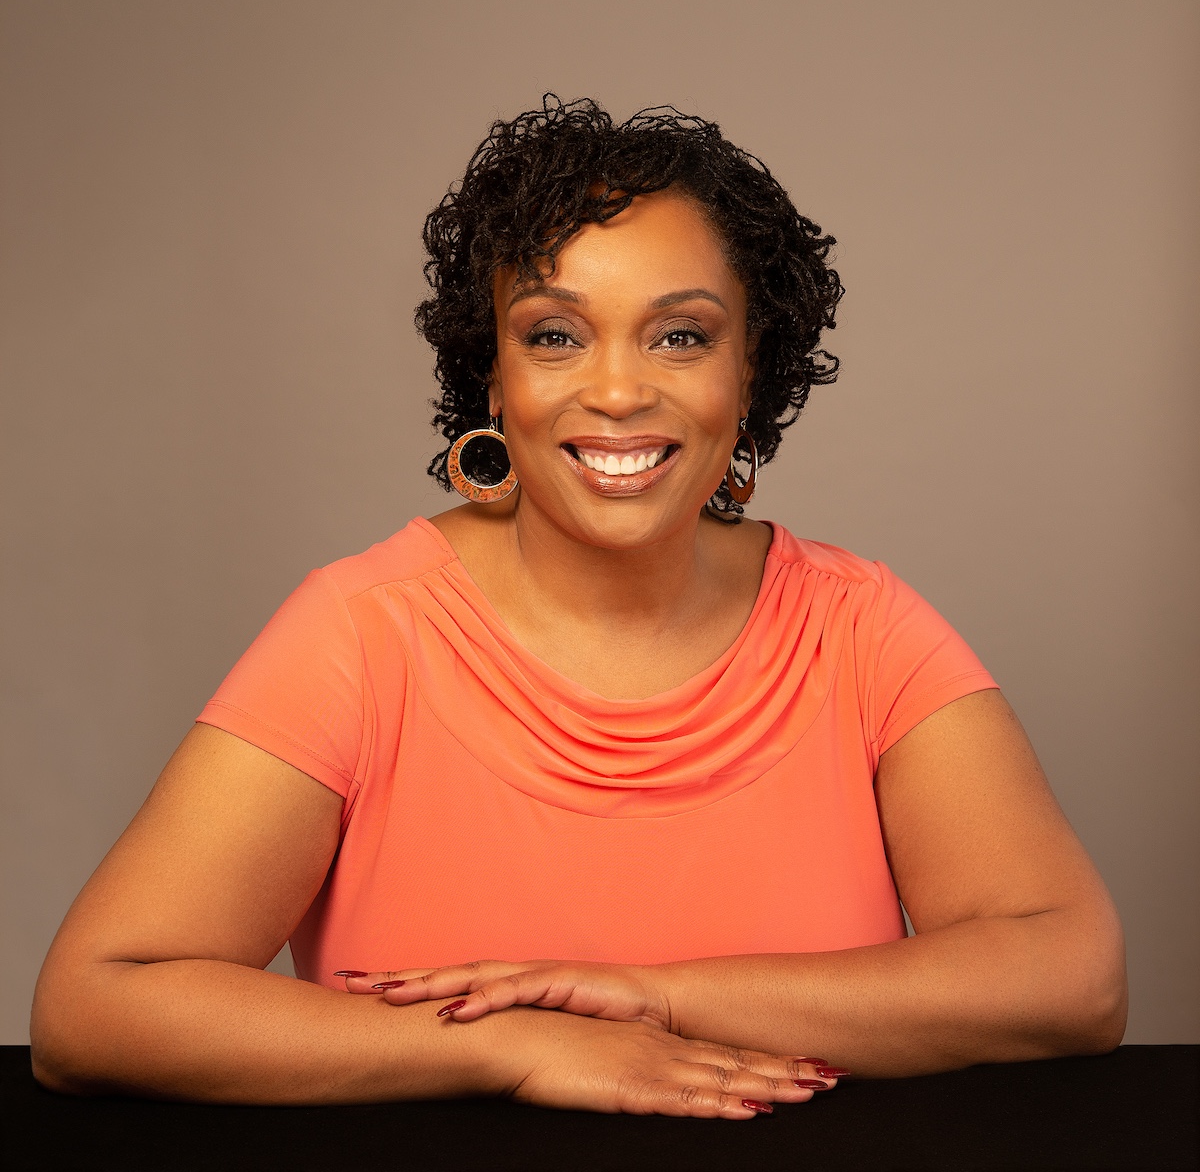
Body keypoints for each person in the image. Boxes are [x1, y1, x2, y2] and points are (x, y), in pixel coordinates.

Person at [30, 96, 1126, 1119]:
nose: (615, 390)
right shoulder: (366, 631)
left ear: (750, 375)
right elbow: (93, 1007)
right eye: (555, 334)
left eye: (680, 336)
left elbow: (1071, 978)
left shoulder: (860, 627)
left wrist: (644, 996)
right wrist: (513, 1046)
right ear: (493, 379)